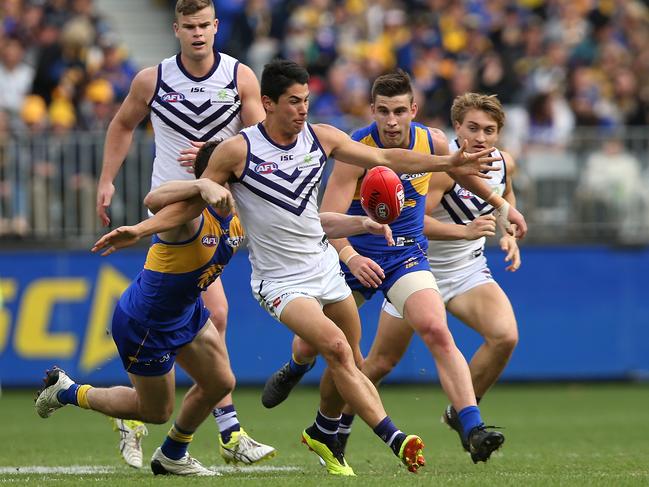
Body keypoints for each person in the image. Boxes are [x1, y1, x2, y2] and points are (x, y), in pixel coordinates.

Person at [92, 59, 522, 476]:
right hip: (281, 280)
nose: (302, 110)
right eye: (294, 101)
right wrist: (143, 227)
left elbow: (384, 164)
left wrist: (448, 167)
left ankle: (325, 433)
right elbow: (171, 202)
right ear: (268, 102)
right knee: (335, 348)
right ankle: (395, 437)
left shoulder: (323, 138)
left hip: (330, 265)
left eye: (305, 101)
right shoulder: (239, 150)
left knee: (352, 358)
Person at [261, 71, 521, 464]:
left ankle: (471, 425)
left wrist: (503, 206)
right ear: (373, 111)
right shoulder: (355, 151)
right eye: (383, 111)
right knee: (324, 348)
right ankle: (300, 369)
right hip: (352, 257)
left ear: (413, 110)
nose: (392, 121)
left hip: (405, 256)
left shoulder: (430, 141)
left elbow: (458, 172)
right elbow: (326, 219)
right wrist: (352, 258)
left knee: (435, 328)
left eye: (400, 110)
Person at [94, 0, 272, 468]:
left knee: (211, 313)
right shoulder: (152, 79)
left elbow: (258, 138)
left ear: (216, 27)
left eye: (204, 25)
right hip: (176, 210)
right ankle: (226, 431)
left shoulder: (239, 78)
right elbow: (123, 123)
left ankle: (175, 422)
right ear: (176, 29)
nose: (197, 33)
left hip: (223, 202)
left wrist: (218, 156)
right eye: (189, 26)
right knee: (214, 309)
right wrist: (107, 180)